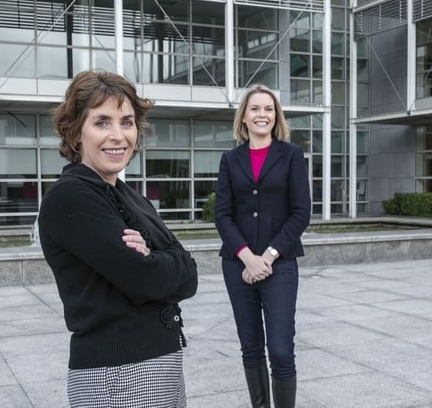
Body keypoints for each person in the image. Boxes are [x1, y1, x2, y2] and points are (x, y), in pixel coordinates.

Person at [37, 70, 198, 407]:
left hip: (158, 362)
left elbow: (189, 274)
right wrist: (161, 260)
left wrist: (158, 257)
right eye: (102, 122)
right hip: (119, 374)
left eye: (126, 122)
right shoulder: (72, 197)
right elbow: (144, 278)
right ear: (76, 131)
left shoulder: (128, 196)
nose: (118, 135)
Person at [214, 84, 311, 408]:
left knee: (281, 349)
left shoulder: (292, 155)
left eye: (268, 109)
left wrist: (266, 257)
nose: (262, 115)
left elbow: (300, 213)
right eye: (254, 109)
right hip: (237, 264)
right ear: (243, 117)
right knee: (250, 346)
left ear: (276, 116)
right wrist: (246, 257)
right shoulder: (230, 159)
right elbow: (222, 214)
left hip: (279, 264)